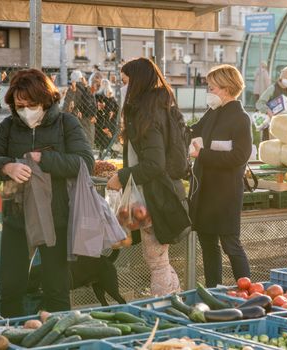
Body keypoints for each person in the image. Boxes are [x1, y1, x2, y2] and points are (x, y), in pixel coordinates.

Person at [0, 69, 94, 317]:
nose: (25, 111)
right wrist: (6, 166)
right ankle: (12, 336)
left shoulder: (67, 124)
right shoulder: (9, 126)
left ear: (46, 99)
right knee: (11, 287)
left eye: (31, 105)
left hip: (57, 218)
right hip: (16, 217)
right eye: (19, 106)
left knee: (56, 289)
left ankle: (58, 340)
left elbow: (85, 162)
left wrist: (45, 159)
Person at [106, 57, 187, 297]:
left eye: (124, 82)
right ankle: (175, 299)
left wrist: (122, 176)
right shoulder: (159, 107)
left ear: (137, 82)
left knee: (156, 260)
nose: (122, 87)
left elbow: (154, 164)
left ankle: (161, 307)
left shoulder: (148, 115)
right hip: (155, 193)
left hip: (155, 194)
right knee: (158, 258)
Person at [189, 64, 252, 287]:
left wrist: (203, 154)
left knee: (230, 243)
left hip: (225, 192)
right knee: (207, 243)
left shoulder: (241, 118)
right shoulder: (213, 112)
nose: (209, 92)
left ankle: (247, 290)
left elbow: (239, 156)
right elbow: (194, 130)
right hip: (205, 190)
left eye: (212, 87)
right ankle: (213, 289)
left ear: (226, 88)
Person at [256, 65, 287, 141]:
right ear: (281, 78)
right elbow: (259, 103)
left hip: (285, 128)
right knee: (269, 148)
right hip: (269, 126)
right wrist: (267, 111)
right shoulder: (273, 88)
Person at [63, 70, 97, 147]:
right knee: (89, 136)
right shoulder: (88, 88)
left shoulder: (73, 89)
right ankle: (89, 152)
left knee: (79, 138)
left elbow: (67, 106)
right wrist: (94, 114)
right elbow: (94, 102)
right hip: (89, 115)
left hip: (77, 117)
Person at [95, 79, 119, 156]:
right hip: (106, 119)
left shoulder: (99, 95)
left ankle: (104, 152)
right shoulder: (105, 96)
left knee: (103, 136)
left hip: (102, 119)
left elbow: (116, 107)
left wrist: (113, 112)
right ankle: (111, 152)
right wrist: (113, 112)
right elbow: (116, 107)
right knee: (107, 136)